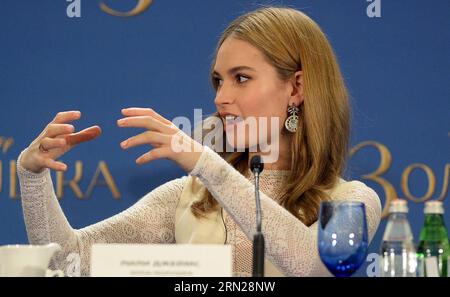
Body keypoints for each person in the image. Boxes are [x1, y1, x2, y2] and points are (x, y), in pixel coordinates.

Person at [17, 7, 381, 277]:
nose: (220, 98)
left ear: (296, 87)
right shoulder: (188, 196)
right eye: (218, 81)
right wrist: (31, 176)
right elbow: (67, 263)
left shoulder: (353, 202)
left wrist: (207, 164)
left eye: (241, 78)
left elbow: (310, 264)